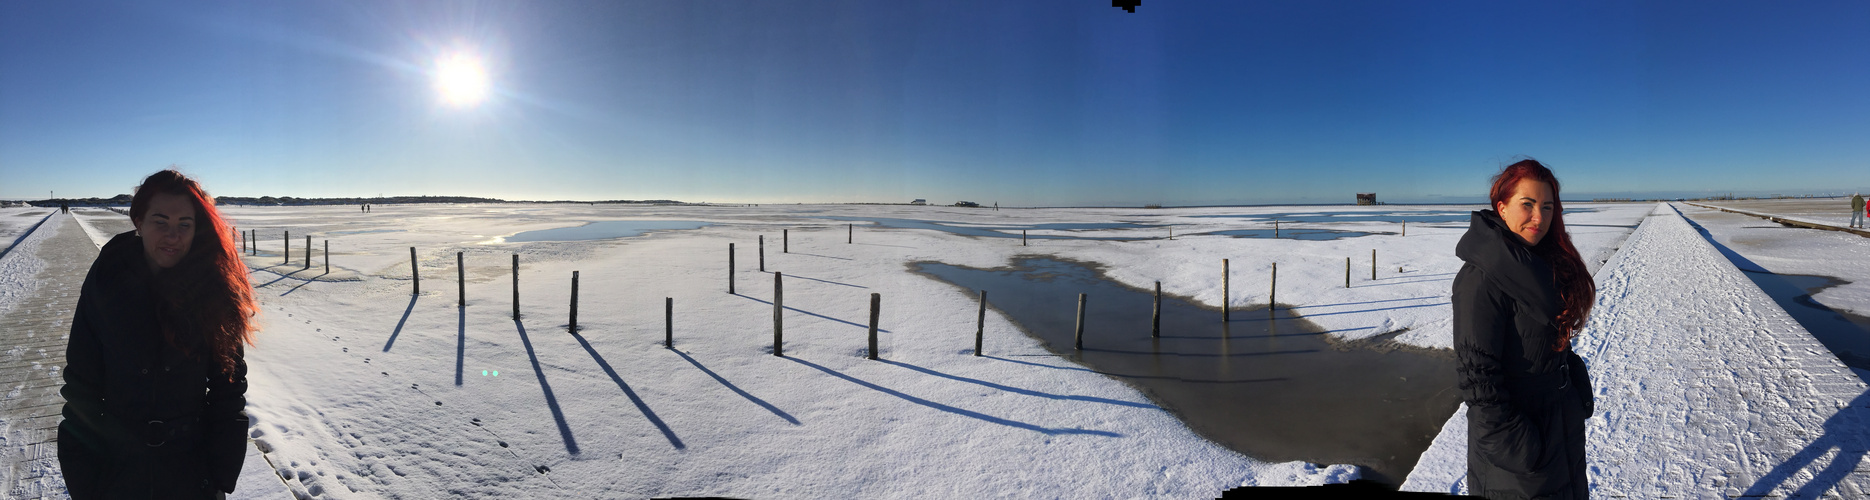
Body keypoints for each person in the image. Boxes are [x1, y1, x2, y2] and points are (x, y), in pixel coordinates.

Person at [59, 169, 258, 498]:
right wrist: (85, 482)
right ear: (138, 221)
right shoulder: (106, 281)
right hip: (118, 466)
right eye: (160, 222)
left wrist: (220, 476)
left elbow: (229, 387)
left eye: (185, 225)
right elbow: (81, 387)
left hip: (192, 470)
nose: (173, 236)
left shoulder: (212, 289)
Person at [1453, 159, 1596, 499]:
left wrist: (1573, 385)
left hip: (1558, 430)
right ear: (1501, 208)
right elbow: (1478, 380)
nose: (1539, 218)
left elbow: (1544, 338)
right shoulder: (1482, 279)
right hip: (1520, 463)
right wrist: (1523, 451)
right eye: (1527, 205)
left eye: (1547, 207)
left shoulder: (1538, 264)